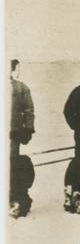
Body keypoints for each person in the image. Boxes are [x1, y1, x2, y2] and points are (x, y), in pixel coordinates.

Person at [9, 60, 35, 217]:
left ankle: (16, 199)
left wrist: (27, 129)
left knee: (12, 165)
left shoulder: (20, 88)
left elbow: (29, 110)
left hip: (13, 135)